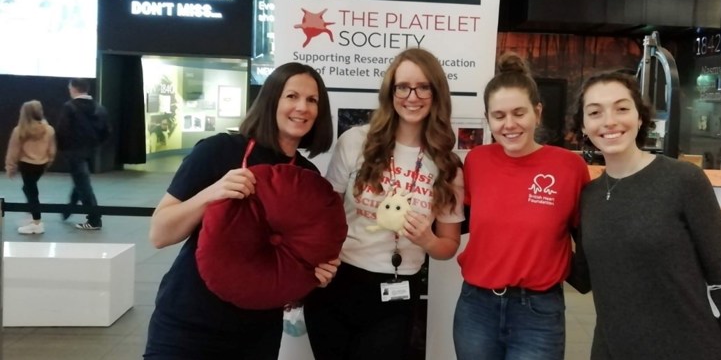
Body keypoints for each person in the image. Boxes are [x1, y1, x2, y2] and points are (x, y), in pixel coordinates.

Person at [144, 62, 340, 359]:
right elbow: (159, 234)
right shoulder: (219, 150)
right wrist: (212, 193)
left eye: (312, 100)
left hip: (257, 331)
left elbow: (292, 257)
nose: (302, 107)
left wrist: (313, 274)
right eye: (292, 96)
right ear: (271, 99)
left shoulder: (307, 176)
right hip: (190, 321)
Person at [576, 71, 721, 359]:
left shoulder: (683, 180)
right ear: (583, 126)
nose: (609, 121)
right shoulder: (589, 196)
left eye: (621, 108)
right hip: (614, 348)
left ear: (640, 117)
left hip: (687, 347)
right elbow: (583, 277)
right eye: (595, 112)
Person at [305, 48, 464, 360]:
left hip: (398, 291)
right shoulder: (356, 140)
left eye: (423, 87)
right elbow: (324, 214)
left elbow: (449, 246)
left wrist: (428, 240)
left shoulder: (447, 165)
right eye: (402, 86)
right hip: (338, 281)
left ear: (436, 92)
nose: (412, 96)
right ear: (390, 92)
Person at [453, 53, 590, 360]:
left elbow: (587, 236)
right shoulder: (476, 161)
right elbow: (465, 222)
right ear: (488, 118)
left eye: (519, 113)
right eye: (499, 115)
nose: (509, 124)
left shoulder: (569, 167)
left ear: (537, 112)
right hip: (477, 306)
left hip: (538, 311)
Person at [55, 78, 109, 230]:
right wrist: (96, 145)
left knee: (83, 185)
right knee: (81, 181)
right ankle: (69, 209)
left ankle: (94, 219)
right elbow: (106, 131)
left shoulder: (69, 107)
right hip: (91, 151)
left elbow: (62, 130)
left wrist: (63, 148)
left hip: (74, 152)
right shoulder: (99, 108)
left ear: (73, 88)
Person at [5, 100, 56, 235]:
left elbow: (13, 150)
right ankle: (32, 213)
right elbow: (52, 150)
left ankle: (37, 223)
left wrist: (10, 167)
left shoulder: (20, 130)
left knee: (32, 192)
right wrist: (48, 161)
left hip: (26, 165)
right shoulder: (49, 129)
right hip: (41, 164)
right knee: (28, 188)